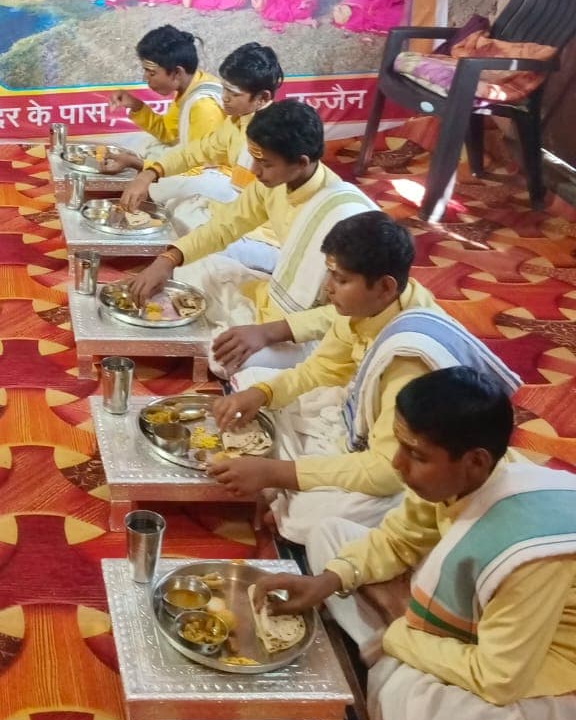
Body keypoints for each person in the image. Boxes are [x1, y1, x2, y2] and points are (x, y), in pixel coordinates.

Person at [257, 370, 576, 720]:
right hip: (467, 631)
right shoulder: (463, 481)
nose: (396, 464)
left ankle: (394, 641)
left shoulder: (530, 553)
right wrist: (327, 581)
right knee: (328, 536)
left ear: (475, 460)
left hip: (539, 669)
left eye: (416, 455)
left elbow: (499, 678)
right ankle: (402, 644)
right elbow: (396, 540)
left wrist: (397, 634)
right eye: (399, 445)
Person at [210, 214, 522, 542]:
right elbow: (321, 370)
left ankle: (286, 490)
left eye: (340, 279)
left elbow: (388, 472)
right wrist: (261, 393)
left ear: (385, 286)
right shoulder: (372, 306)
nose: (328, 288)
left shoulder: (410, 364)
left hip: (414, 469)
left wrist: (278, 473)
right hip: (361, 420)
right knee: (256, 380)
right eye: (329, 274)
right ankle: (284, 485)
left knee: (310, 519)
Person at [125, 100, 371, 372]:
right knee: (188, 269)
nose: (253, 171)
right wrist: (168, 259)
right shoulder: (275, 183)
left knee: (222, 360)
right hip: (278, 295)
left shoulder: (346, 217)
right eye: (254, 158)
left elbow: (359, 312)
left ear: (301, 162)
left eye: (265, 163)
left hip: (322, 330)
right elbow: (225, 226)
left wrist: (270, 332)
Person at [120, 42, 283, 270]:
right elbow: (197, 151)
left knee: (196, 253)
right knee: (184, 219)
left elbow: (254, 211)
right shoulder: (238, 121)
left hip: (272, 239)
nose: (224, 98)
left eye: (233, 94)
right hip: (243, 217)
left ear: (262, 98)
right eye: (224, 89)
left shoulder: (275, 138)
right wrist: (149, 173)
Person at [105, 25, 224, 155]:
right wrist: (136, 106)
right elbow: (169, 134)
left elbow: (201, 166)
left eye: (151, 73)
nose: (145, 78)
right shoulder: (188, 87)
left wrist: (139, 165)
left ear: (177, 73)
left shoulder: (204, 107)